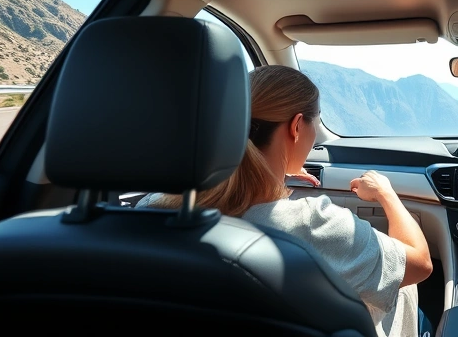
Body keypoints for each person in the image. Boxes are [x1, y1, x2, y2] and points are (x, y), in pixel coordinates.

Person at [138, 65, 435, 337]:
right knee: (401, 290)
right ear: (296, 126)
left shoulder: (150, 209)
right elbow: (420, 263)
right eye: (314, 125)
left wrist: (276, 175)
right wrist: (386, 193)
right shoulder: (313, 224)